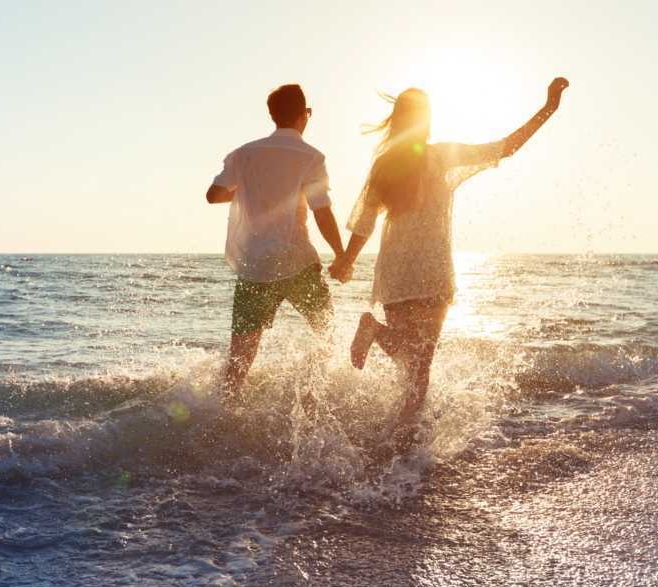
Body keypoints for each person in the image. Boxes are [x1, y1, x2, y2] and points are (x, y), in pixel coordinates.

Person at [329, 77, 569, 433]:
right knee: (420, 366)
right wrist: (549, 108)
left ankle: (380, 350)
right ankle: (406, 441)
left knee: (410, 362)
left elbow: (363, 223)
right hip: (432, 271)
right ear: (426, 120)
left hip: (396, 272)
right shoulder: (441, 156)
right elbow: (506, 147)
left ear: (396, 121)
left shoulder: (383, 166)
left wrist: (347, 260)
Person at [206, 84, 345, 407]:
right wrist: (341, 255)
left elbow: (213, 195)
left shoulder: (243, 154)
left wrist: (244, 191)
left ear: (272, 115)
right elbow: (321, 210)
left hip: (255, 267)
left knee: (240, 358)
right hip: (298, 263)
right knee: (327, 335)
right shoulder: (311, 157)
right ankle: (312, 399)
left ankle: (224, 417)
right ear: (303, 115)